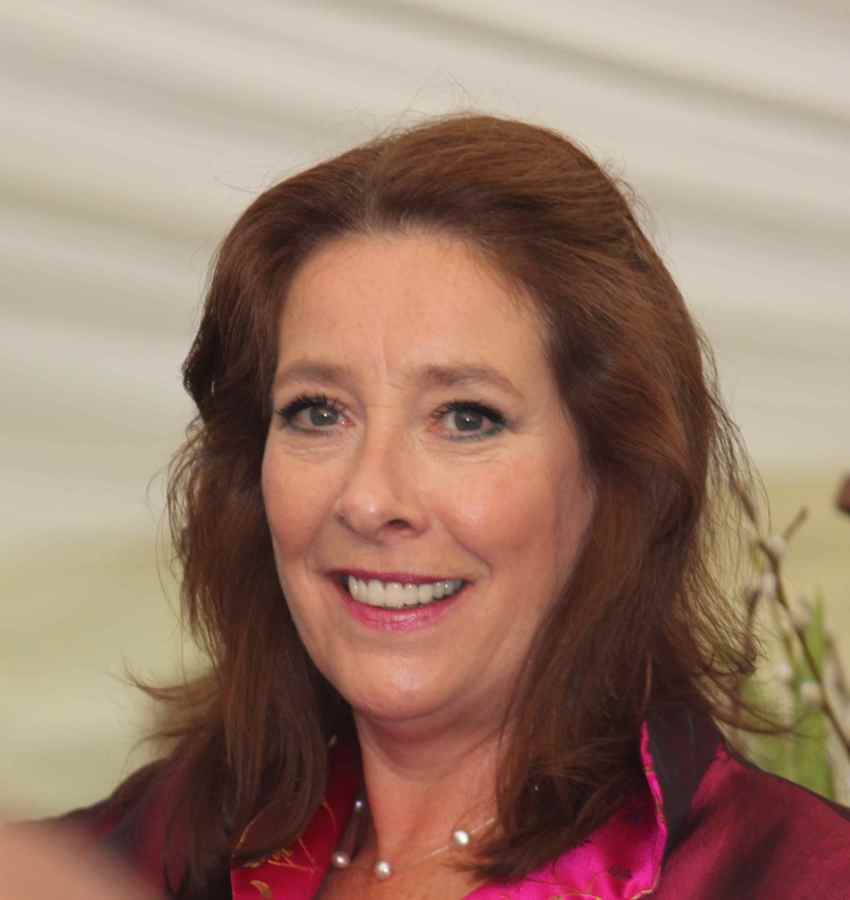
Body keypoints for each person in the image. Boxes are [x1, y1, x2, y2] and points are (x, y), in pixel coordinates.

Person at [10, 114, 850, 899]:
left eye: (466, 418)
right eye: (317, 412)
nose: (370, 498)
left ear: (613, 474)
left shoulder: (792, 875)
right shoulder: (140, 851)